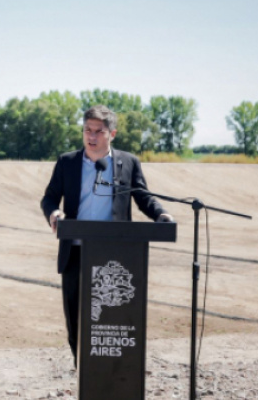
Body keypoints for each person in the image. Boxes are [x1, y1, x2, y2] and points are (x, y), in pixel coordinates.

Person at [40, 104, 173, 366]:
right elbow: (50, 197)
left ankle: (111, 374)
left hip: (115, 256)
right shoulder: (67, 162)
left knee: (112, 319)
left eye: (98, 132)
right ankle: (83, 369)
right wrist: (54, 213)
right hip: (76, 252)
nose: (91, 136)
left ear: (112, 134)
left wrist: (161, 214)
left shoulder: (127, 163)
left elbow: (142, 197)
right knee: (75, 318)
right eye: (87, 130)